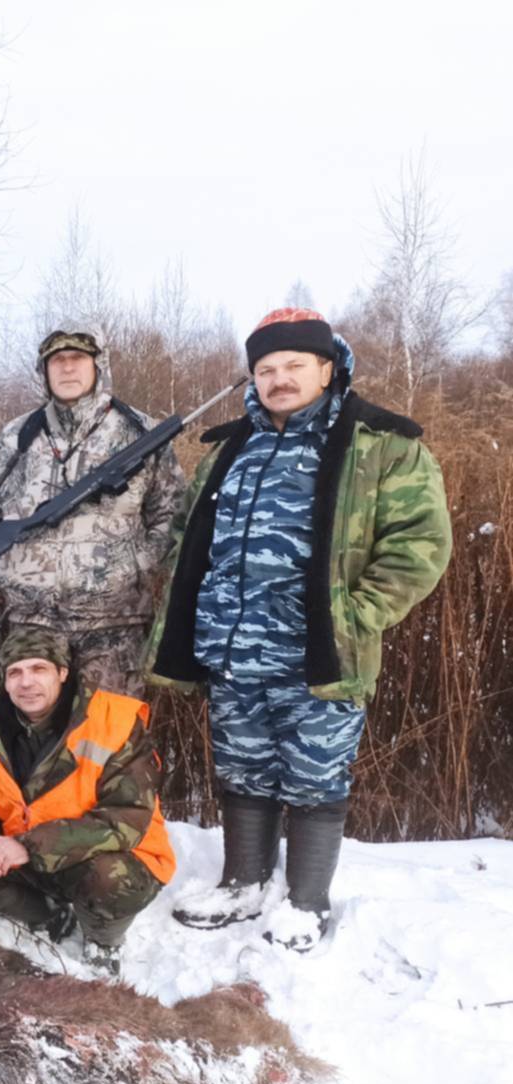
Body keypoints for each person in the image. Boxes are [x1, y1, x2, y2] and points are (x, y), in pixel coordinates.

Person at [151, 309, 452, 951]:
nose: (279, 379)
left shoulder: (381, 443)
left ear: (327, 368)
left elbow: (420, 545)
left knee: (316, 777)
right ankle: (244, 883)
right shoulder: (230, 447)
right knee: (243, 771)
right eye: (265, 369)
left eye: (293, 366)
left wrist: (355, 615)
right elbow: (185, 534)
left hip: (317, 657)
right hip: (232, 652)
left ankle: (306, 901)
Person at [0, 625, 172, 976]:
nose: (26, 682)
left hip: (104, 855)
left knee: (111, 877)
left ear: (62, 673)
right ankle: (46, 916)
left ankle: (102, 939)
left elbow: (126, 817)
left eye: (38, 669)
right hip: (26, 855)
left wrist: (28, 846)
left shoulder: (115, 721)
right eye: (15, 672)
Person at [0, 324, 182, 694]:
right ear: (44, 372)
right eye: (58, 361)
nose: (67, 368)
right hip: (32, 625)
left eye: (78, 359)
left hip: (115, 623)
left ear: (98, 367)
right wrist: (5, 571)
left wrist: (140, 563)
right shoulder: (17, 435)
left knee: (110, 742)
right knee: (39, 744)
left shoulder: (140, 432)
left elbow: (171, 513)